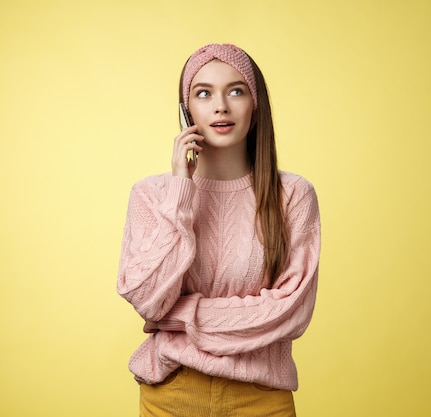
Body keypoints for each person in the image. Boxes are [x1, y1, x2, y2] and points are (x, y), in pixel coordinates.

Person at [117, 43, 321, 417]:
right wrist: (181, 191)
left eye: (236, 91)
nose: (221, 106)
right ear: (185, 110)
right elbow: (147, 299)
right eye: (204, 92)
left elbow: (290, 312)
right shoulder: (152, 195)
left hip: (261, 397)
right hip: (172, 394)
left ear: (255, 107)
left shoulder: (292, 195)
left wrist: (178, 316)